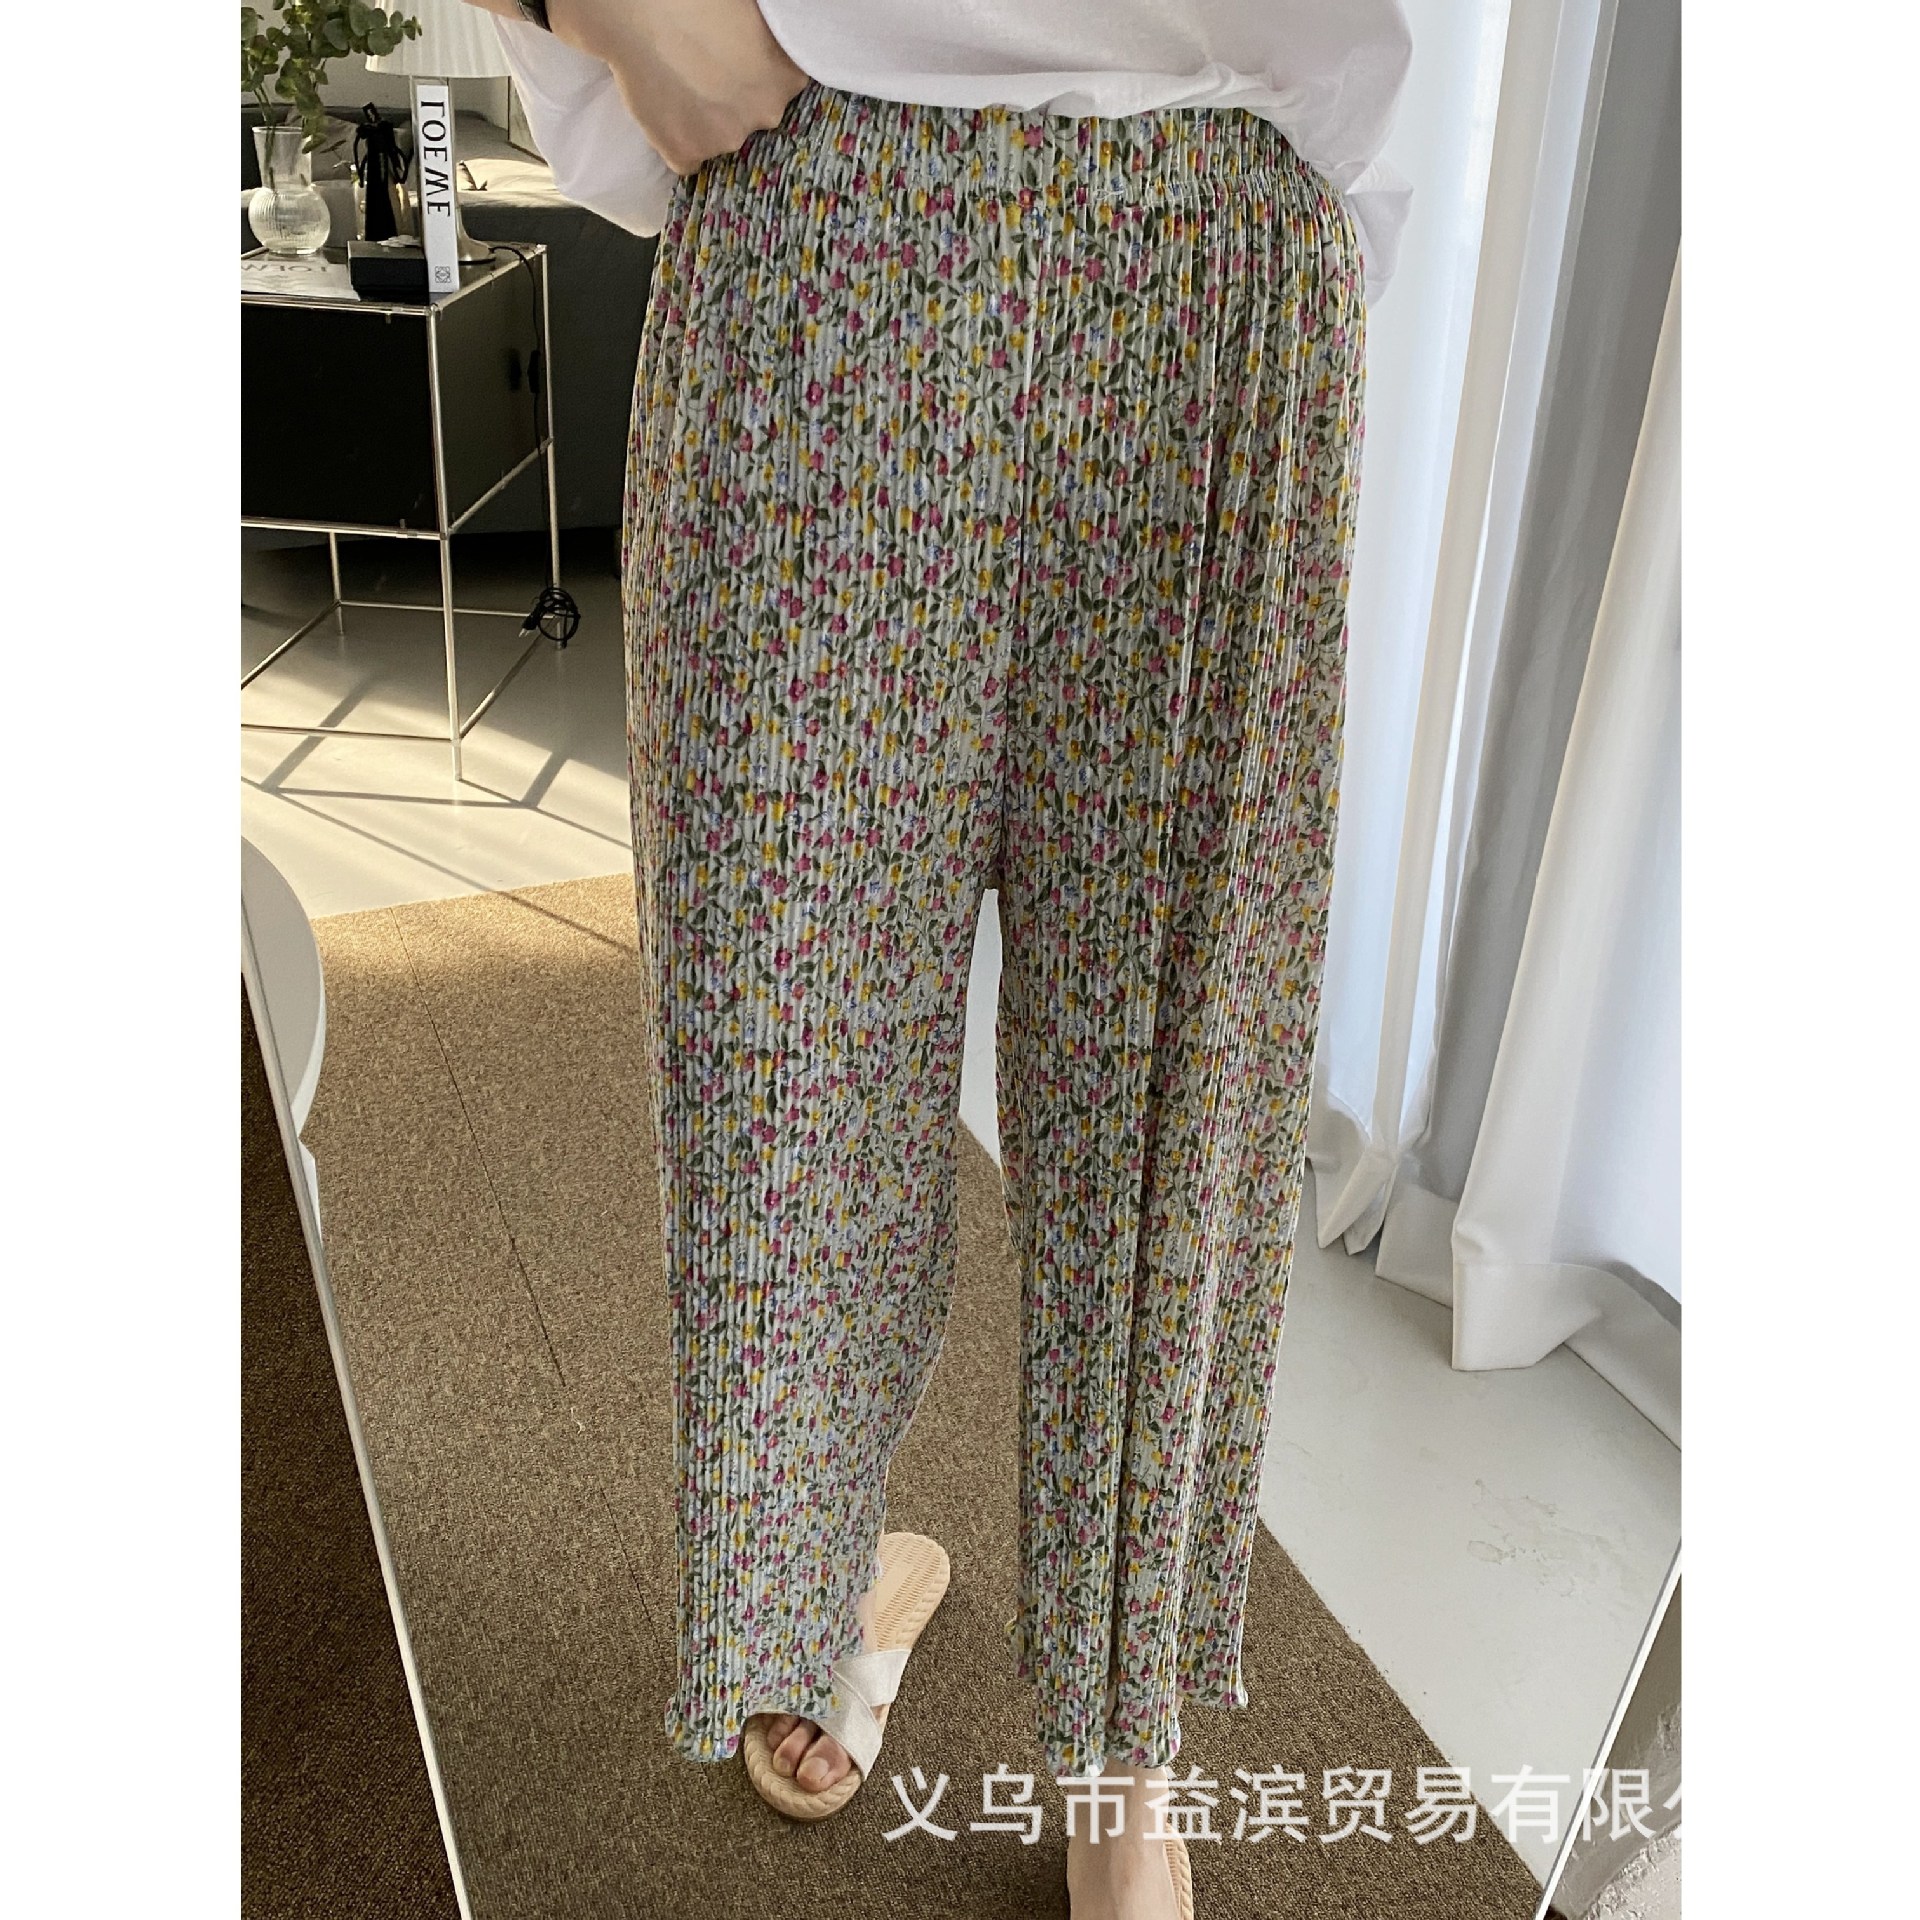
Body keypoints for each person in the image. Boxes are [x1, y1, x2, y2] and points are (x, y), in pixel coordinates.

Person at [459, 4, 1412, 1914]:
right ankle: (814, 1587)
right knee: (784, 1067)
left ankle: (1128, 1753)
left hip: (1221, 244)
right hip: (824, 209)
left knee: (1176, 1102)